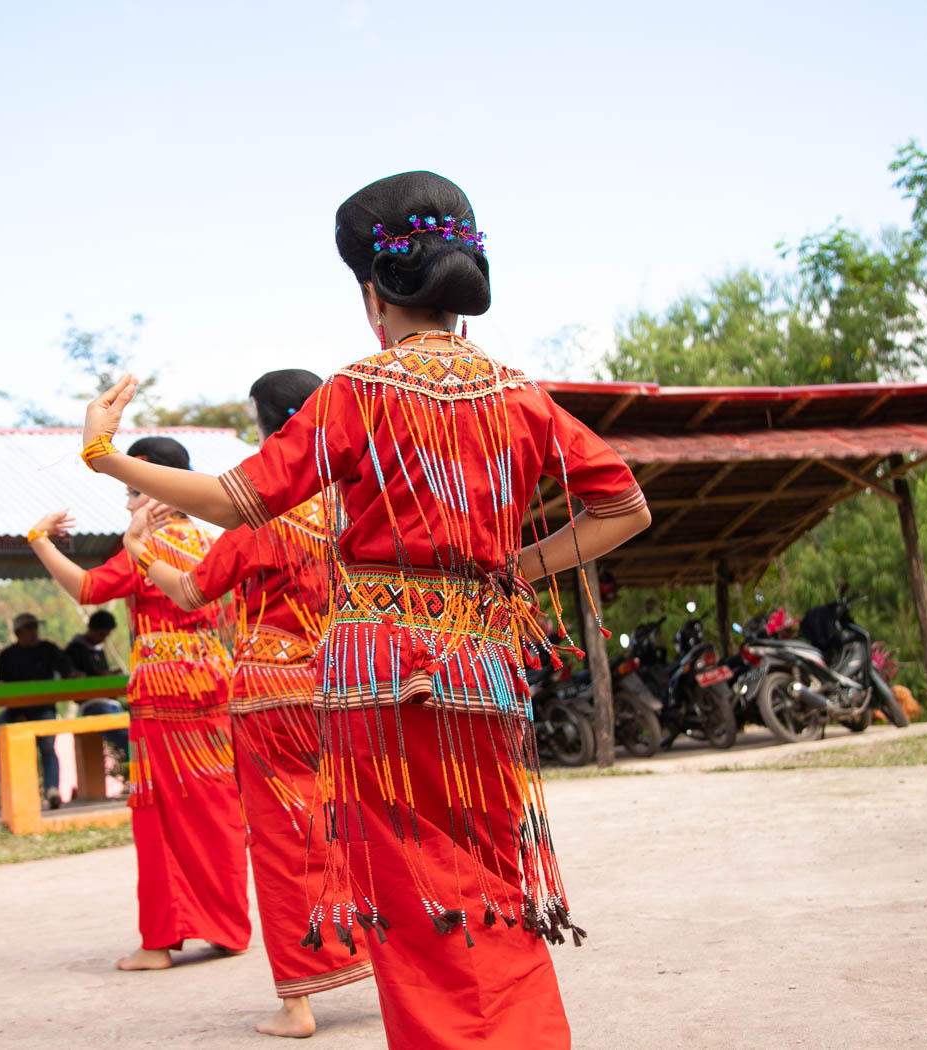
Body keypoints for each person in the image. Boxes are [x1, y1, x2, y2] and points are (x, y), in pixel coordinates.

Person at [75, 172, 651, 1047]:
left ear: (372, 296)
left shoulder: (359, 391)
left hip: (380, 675)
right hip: (482, 670)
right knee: (492, 870)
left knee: (415, 886)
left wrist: (105, 455)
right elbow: (623, 508)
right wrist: (510, 569)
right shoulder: (518, 394)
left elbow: (235, 500)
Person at [125, 368, 372, 1039]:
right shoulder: (352, 500)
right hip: (345, 685)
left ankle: (298, 1001)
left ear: (265, 424)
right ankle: (367, 954)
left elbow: (191, 590)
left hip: (270, 694)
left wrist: (139, 553)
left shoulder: (264, 504)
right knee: (346, 825)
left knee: (281, 841)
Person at [27, 436, 249, 972]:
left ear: (158, 492)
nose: (129, 503)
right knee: (217, 806)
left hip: (162, 696)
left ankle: (160, 940)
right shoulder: (214, 540)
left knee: (161, 816)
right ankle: (228, 927)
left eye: (133, 490)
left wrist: (38, 540)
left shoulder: (145, 545)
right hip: (215, 687)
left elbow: (86, 588)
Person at [0, 612, 74, 810]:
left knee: (48, 747)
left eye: (35, 627)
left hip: (44, 708)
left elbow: (67, 671)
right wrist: (16, 711)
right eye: (29, 628)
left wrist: (74, 675)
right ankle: (0, 787)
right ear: (18, 632)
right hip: (15, 711)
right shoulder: (6, 656)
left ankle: (52, 789)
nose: (33, 632)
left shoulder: (48, 649)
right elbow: (2, 687)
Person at [66, 610, 131, 756]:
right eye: (102, 635)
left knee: (134, 733)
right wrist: (105, 675)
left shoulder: (96, 648)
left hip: (109, 703)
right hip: (92, 705)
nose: (103, 639)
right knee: (128, 739)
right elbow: (78, 676)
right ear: (92, 629)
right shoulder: (76, 649)